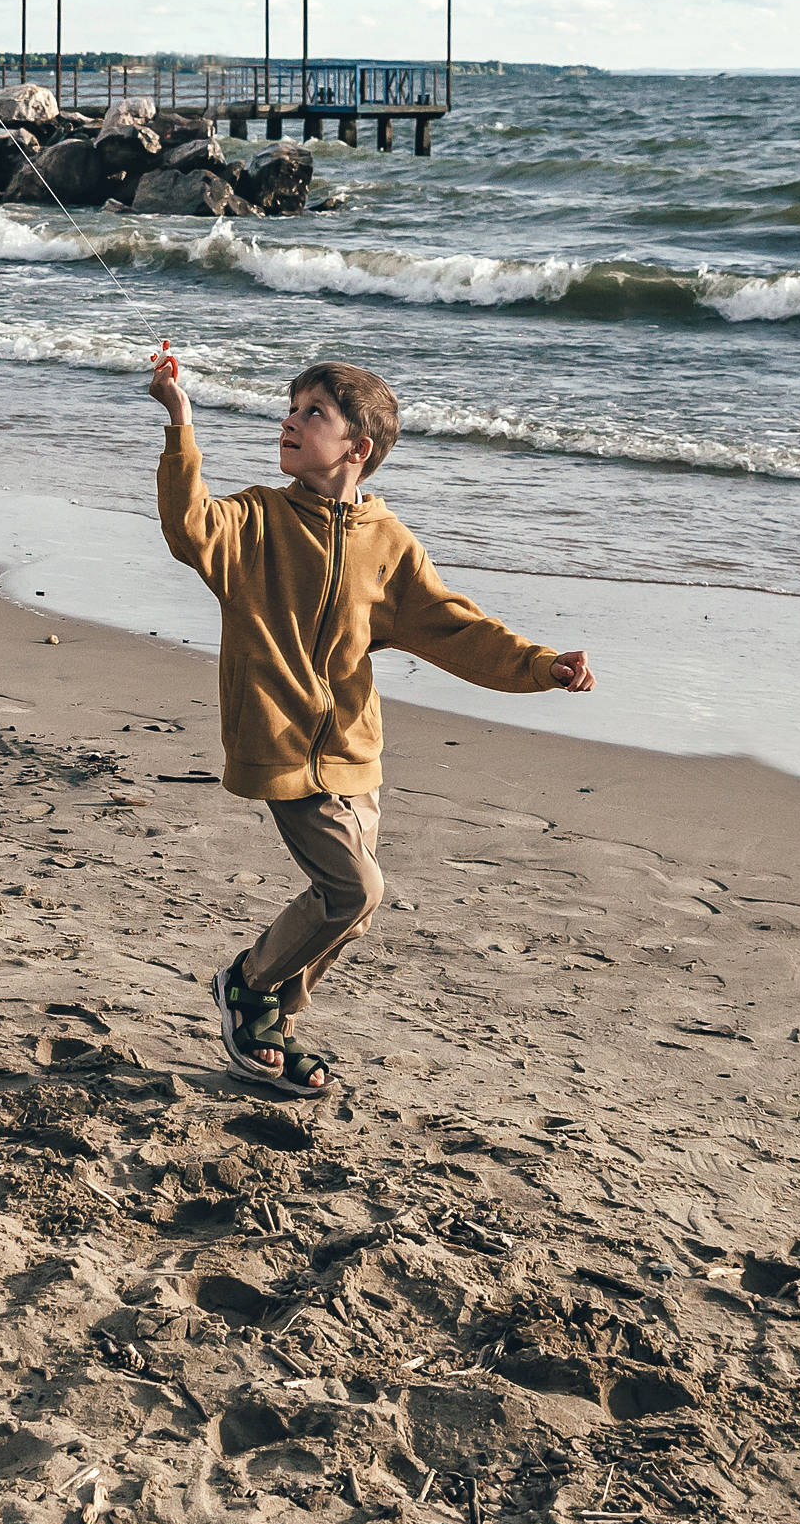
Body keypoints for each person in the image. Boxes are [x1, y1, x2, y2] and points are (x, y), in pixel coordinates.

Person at [151, 346, 592, 1097]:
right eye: (290, 408)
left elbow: (457, 629)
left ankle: (270, 1028)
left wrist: (538, 665)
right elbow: (190, 524)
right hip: (283, 745)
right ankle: (247, 986)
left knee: (349, 910)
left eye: (311, 411)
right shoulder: (255, 519)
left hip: (357, 751)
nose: (290, 419)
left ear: (358, 448)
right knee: (355, 890)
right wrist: (181, 422)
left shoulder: (388, 543)